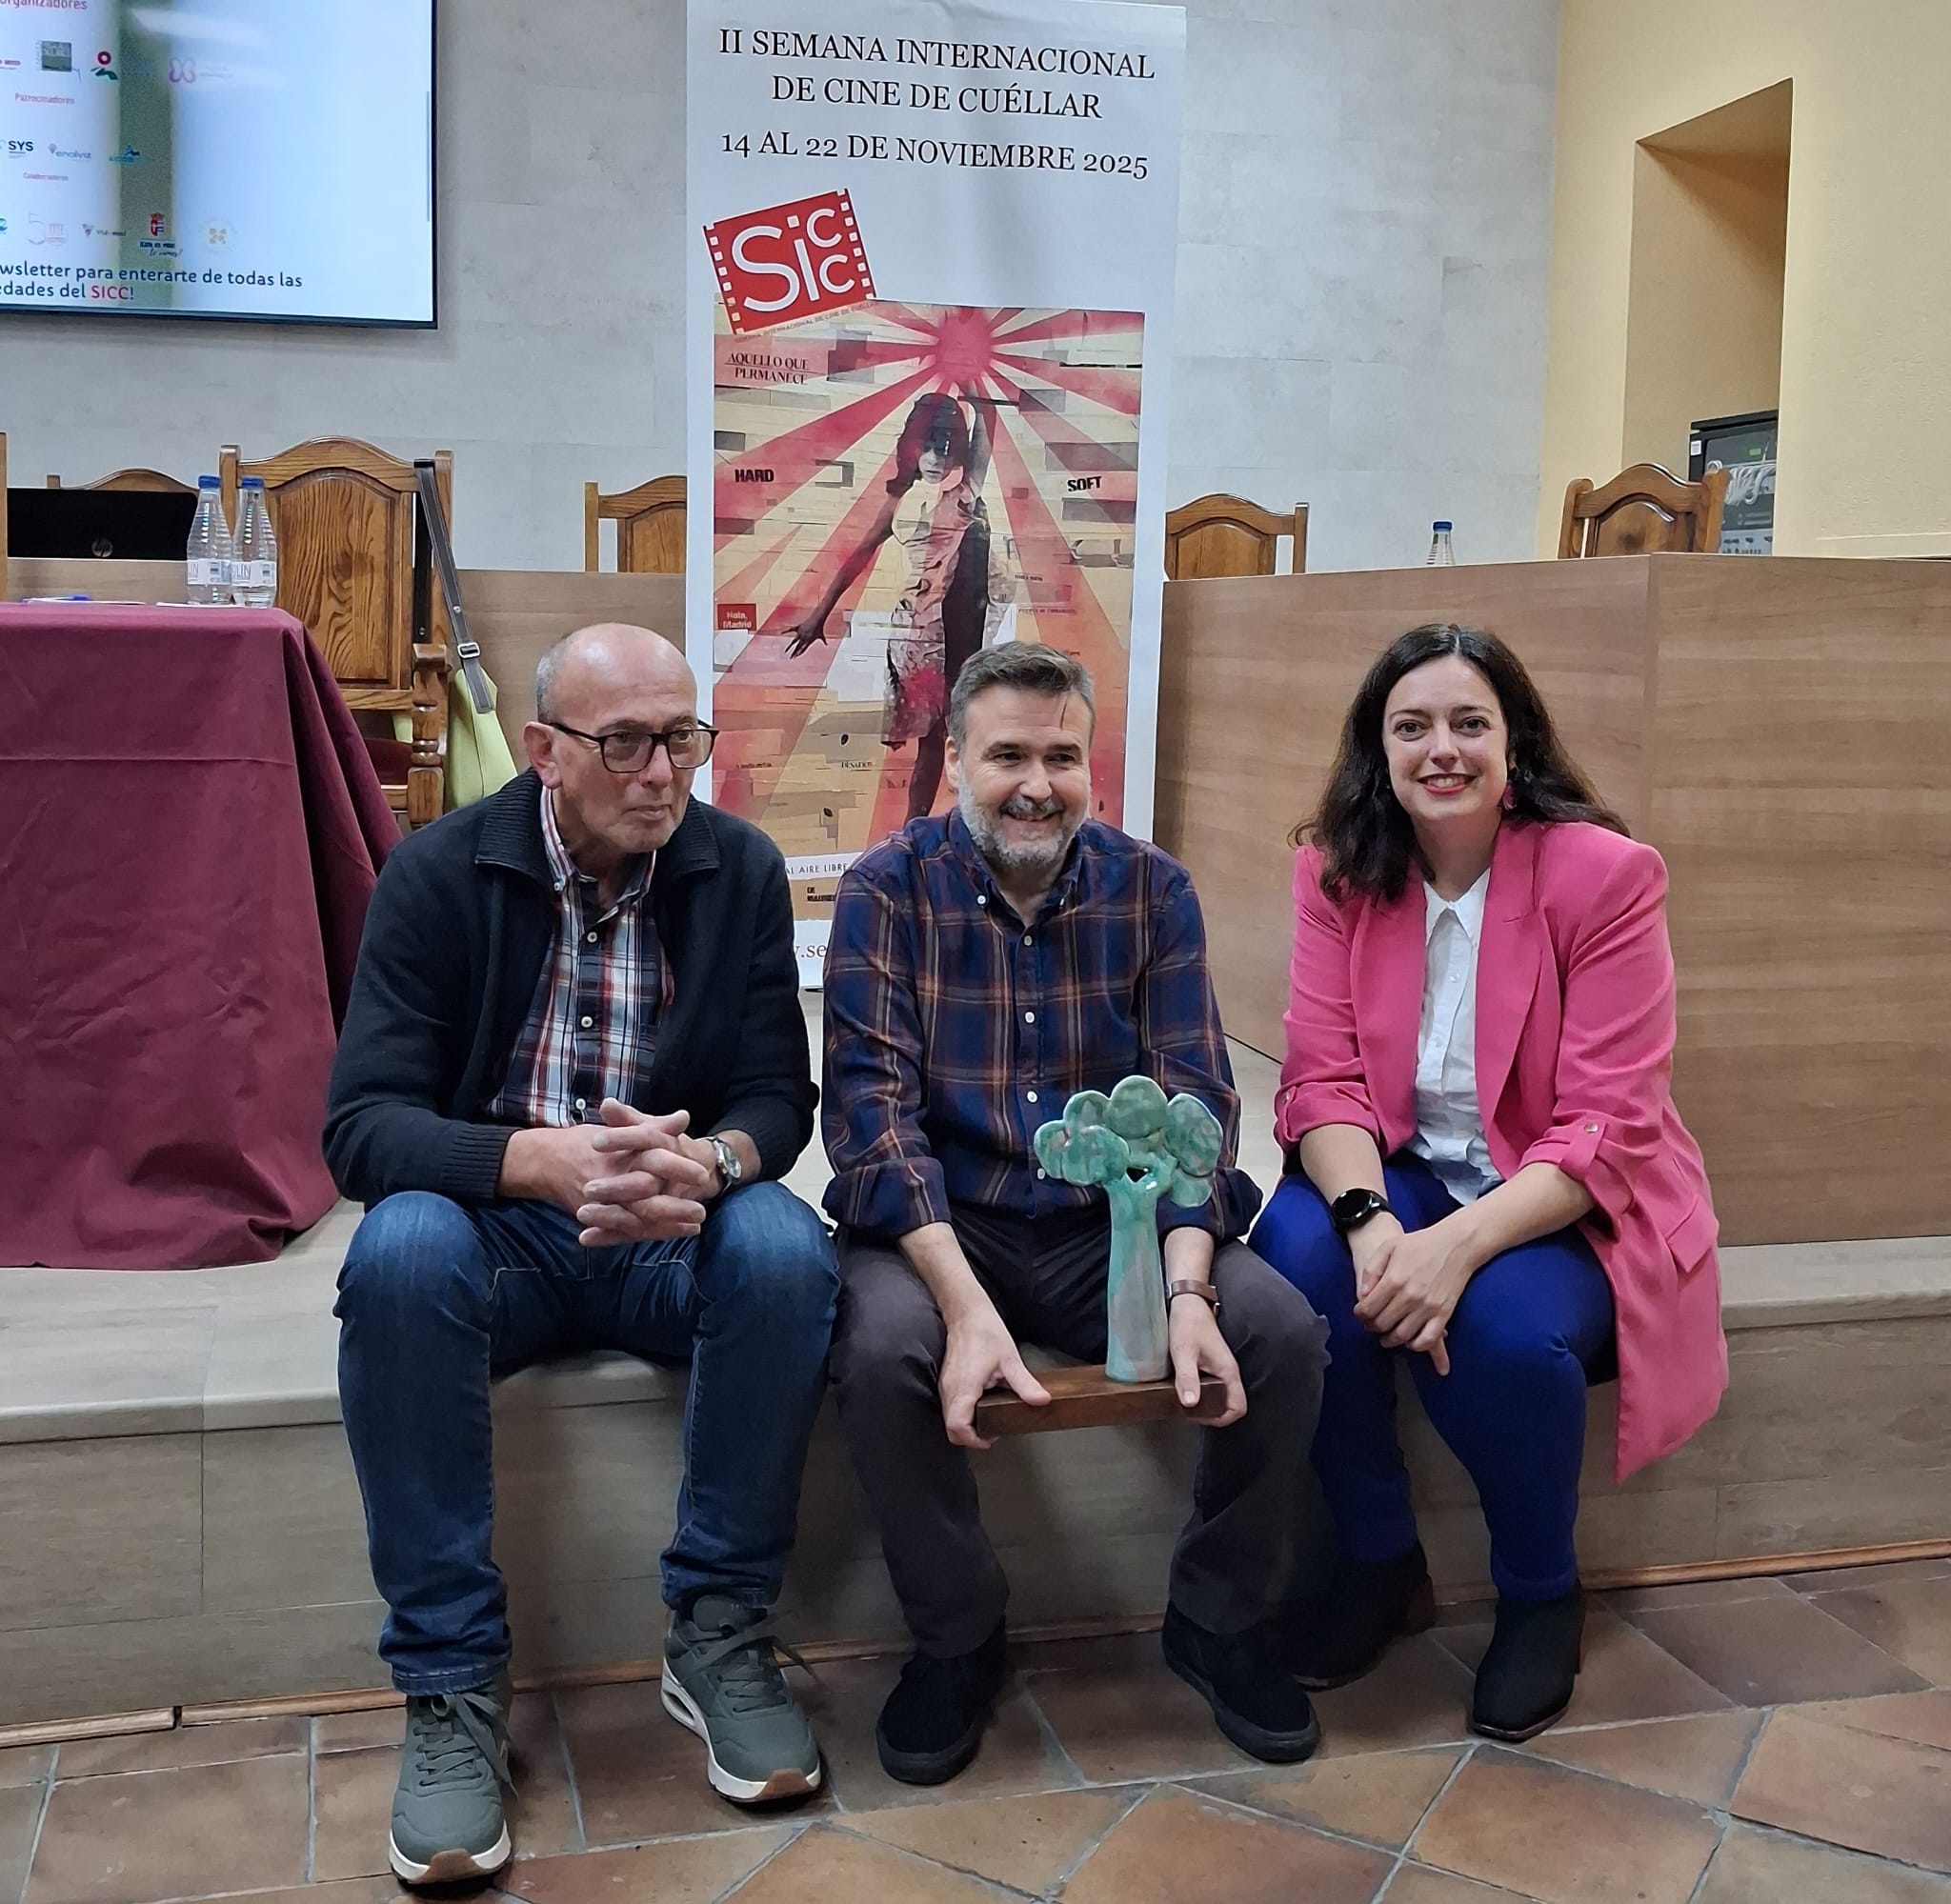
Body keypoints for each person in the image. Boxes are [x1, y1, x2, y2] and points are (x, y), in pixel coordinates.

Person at [324, 624, 837, 1884]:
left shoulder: (737, 868)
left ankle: (717, 1630)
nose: (661, 772)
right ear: (542, 749)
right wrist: (534, 1161)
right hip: (500, 1238)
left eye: (682, 737)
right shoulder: (437, 873)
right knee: (397, 1253)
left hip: (665, 1232)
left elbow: (778, 1094)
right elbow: (362, 1125)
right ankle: (451, 1680)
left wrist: (711, 1163)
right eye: (624, 743)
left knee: (784, 1246)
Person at [822, 639, 1331, 1785]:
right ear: (956, 760)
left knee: (1280, 1332)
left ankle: (1214, 1616)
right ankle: (957, 1635)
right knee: (880, 1347)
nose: (1036, 784)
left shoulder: (1152, 888)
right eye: (1006, 754)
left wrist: (1188, 1285)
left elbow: (1196, 1098)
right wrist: (963, 1306)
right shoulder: (884, 890)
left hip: (1115, 1222)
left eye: (1061, 756)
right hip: (944, 1221)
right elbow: (871, 1120)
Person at [1249, 622, 1726, 1742]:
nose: (1441, 749)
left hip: (1568, 1198)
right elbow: (1320, 1079)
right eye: (1410, 726)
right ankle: (1378, 1558)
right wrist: (1369, 1223)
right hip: (1409, 1171)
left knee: (1499, 1334)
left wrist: (1449, 1249)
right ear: (1377, 749)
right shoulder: (1337, 874)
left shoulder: (1601, 875)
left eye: (1469, 723)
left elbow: (1607, 1126)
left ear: (1514, 744)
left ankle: (1537, 1592)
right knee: (1295, 1269)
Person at [785, 386, 1014, 821]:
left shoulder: (967, 489)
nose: (934, 458)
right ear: (911, 448)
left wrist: (971, 384)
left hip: (962, 627)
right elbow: (859, 554)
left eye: (944, 448)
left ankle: (955, 821)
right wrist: (819, 616)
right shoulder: (900, 501)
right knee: (933, 737)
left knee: (959, 730)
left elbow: (987, 424)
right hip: (918, 633)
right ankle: (917, 827)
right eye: (926, 447)